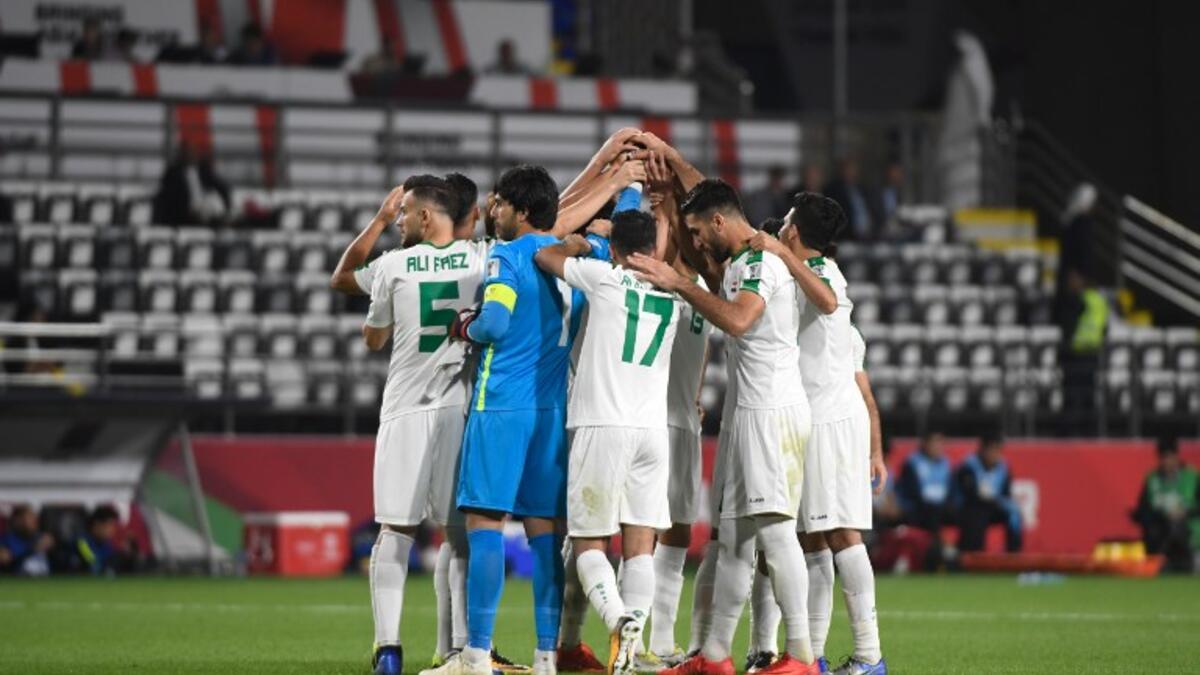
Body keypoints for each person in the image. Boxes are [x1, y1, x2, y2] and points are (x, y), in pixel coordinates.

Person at [420, 164, 613, 675]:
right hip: (552, 412)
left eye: (500, 202)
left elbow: (497, 321)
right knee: (545, 536)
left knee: (484, 525)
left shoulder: (506, 256)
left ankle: (477, 655)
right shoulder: (572, 261)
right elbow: (611, 251)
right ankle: (547, 656)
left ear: (522, 212)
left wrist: (467, 327)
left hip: (502, 404)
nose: (491, 209)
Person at [630, 179, 825, 675]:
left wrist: (681, 284)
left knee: (777, 534)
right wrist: (672, 210)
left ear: (720, 221)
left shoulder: (761, 262)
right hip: (747, 416)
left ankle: (802, 656)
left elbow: (738, 321)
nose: (695, 244)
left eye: (698, 232)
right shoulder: (739, 263)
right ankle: (715, 656)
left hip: (771, 414)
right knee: (734, 540)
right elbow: (715, 290)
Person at [745, 194, 887, 675]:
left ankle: (869, 655)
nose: (781, 226)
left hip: (829, 418)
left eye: (786, 222)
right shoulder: (801, 274)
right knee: (811, 539)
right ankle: (814, 658)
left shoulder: (823, 271)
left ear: (795, 232)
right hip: (816, 418)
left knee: (841, 533)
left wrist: (782, 255)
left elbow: (825, 302)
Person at [534, 209, 679, 675]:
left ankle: (618, 620)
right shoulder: (671, 295)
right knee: (640, 546)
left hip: (603, 424)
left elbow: (543, 254)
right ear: (653, 252)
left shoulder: (604, 278)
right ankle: (631, 655)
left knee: (588, 544)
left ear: (615, 249)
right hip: (652, 432)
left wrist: (581, 243)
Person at [359, 175, 488, 675]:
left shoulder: (392, 264)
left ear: (428, 217)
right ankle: (460, 651)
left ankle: (388, 652)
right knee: (460, 536)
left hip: (406, 410)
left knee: (395, 532)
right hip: (459, 409)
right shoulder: (480, 259)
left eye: (407, 212)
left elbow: (373, 339)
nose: (401, 219)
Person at [1132, 439, 1200, 573]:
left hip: (1191, 538)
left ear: (1176, 456)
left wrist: (1185, 513)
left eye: (1169, 457)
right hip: (1162, 539)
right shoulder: (1152, 480)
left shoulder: (1192, 477)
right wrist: (1163, 515)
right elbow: (1143, 510)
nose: (1166, 462)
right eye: (1162, 457)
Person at [1058, 269, 1107, 435]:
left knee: (1075, 395)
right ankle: (1088, 430)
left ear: (1081, 280)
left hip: (1078, 353)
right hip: (1092, 352)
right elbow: (1104, 328)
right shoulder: (1099, 299)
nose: (1070, 283)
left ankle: (1074, 431)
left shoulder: (1080, 299)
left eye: (1073, 279)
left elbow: (1069, 325)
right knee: (1087, 394)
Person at [894, 431, 953, 569]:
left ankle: (961, 555)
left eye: (940, 443)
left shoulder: (945, 464)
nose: (938, 447)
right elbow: (913, 493)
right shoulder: (912, 464)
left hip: (939, 508)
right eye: (935, 443)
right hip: (915, 508)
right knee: (932, 513)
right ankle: (938, 555)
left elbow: (950, 491)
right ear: (925, 444)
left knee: (970, 513)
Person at [954, 435, 1022, 553]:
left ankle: (1013, 555)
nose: (995, 454)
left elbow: (1006, 494)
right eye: (992, 449)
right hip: (969, 507)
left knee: (1014, 513)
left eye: (998, 450)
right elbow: (970, 494)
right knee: (977, 513)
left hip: (993, 506)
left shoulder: (1003, 468)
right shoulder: (968, 467)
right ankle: (974, 553)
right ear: (982, 450)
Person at [152, 144, 231, 227]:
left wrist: (227, 206)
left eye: (193, 152)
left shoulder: (203, 170)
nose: (191, 155)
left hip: (204, 210)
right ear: (181, 156)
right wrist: (190, 209)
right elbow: (169, 196)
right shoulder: (173, 173)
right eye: (187, 153)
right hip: (183, 214)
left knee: (215, 214)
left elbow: (221, 186)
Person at [822, 159, 877, 242]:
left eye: (853, 169)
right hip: (848, 237)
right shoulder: (834, 189)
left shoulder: (861, 189)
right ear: (842, 171)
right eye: (848, 169)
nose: (851, 172)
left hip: (869, 235)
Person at [66, 506, 124, 575]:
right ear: (97, 524)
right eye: (109, 525)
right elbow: (91, 560)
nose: (112, 530)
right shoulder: (81, 541)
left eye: (113, 526)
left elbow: (110, 561)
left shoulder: (107, 543)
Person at [1, 504, 53, 576]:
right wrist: (34, 548)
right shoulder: (8, 538)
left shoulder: (39, 536)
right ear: (18, 520)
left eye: (34, 517)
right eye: (29, 517)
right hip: (19, 579)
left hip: (46, 580)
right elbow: (5, 558)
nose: (34, 521)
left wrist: (52, 546)